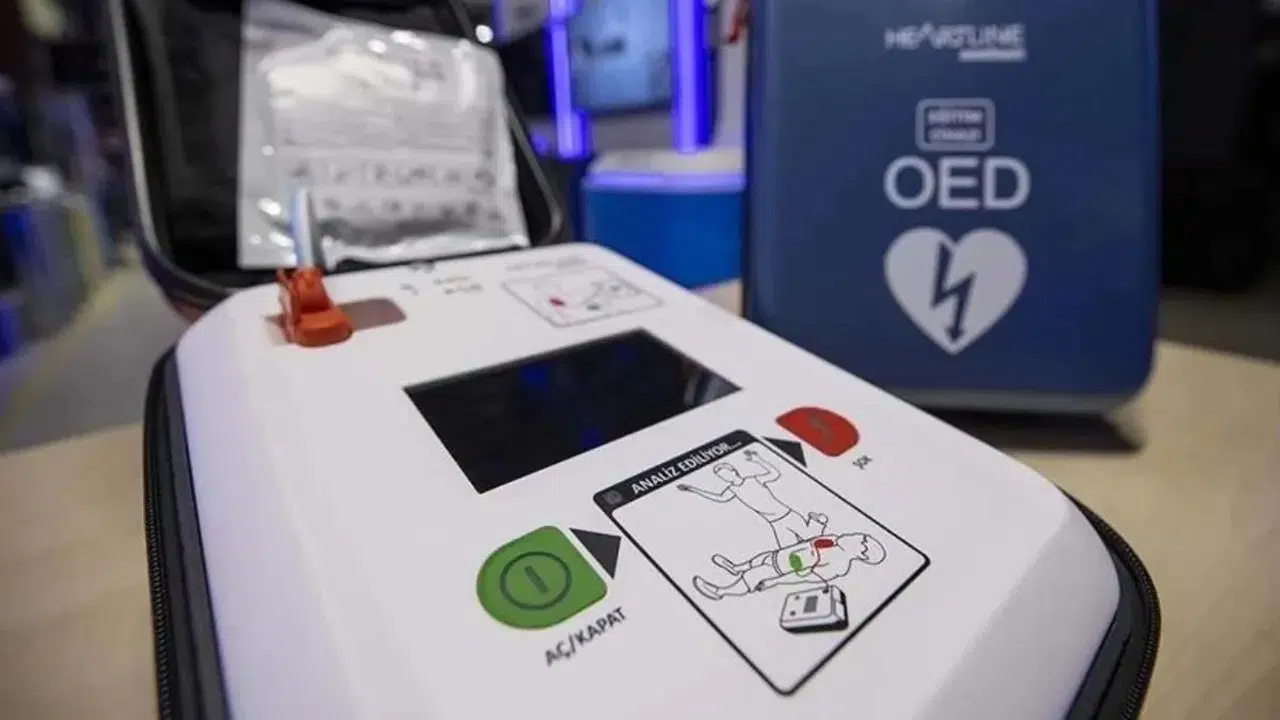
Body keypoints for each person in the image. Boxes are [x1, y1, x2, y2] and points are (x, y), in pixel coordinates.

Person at [677, 449, 828, 547]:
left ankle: (815, 519)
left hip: (787, 514)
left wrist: (758, 459)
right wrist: (693, 489)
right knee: (788, 550)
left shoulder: (753, 479)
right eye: (722, 476)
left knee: (816, 540)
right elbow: (719, 498)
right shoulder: (732, 490)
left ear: (733, 471)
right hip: (775, 522)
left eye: (725, 473)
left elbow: (774, 473)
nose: (725, 477)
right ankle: (815, 521)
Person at [692, 532, 887, 601]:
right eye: (863, 536)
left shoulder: (840, 565)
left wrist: (775, 582)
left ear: (862, 555)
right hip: (782, 555)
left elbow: (808, 578)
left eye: (862, 541)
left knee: (751, 577)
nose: (857, 536)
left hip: (783, 569)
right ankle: (737, 568)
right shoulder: (834, 539)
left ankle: (720, 592)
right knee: (760, 559)